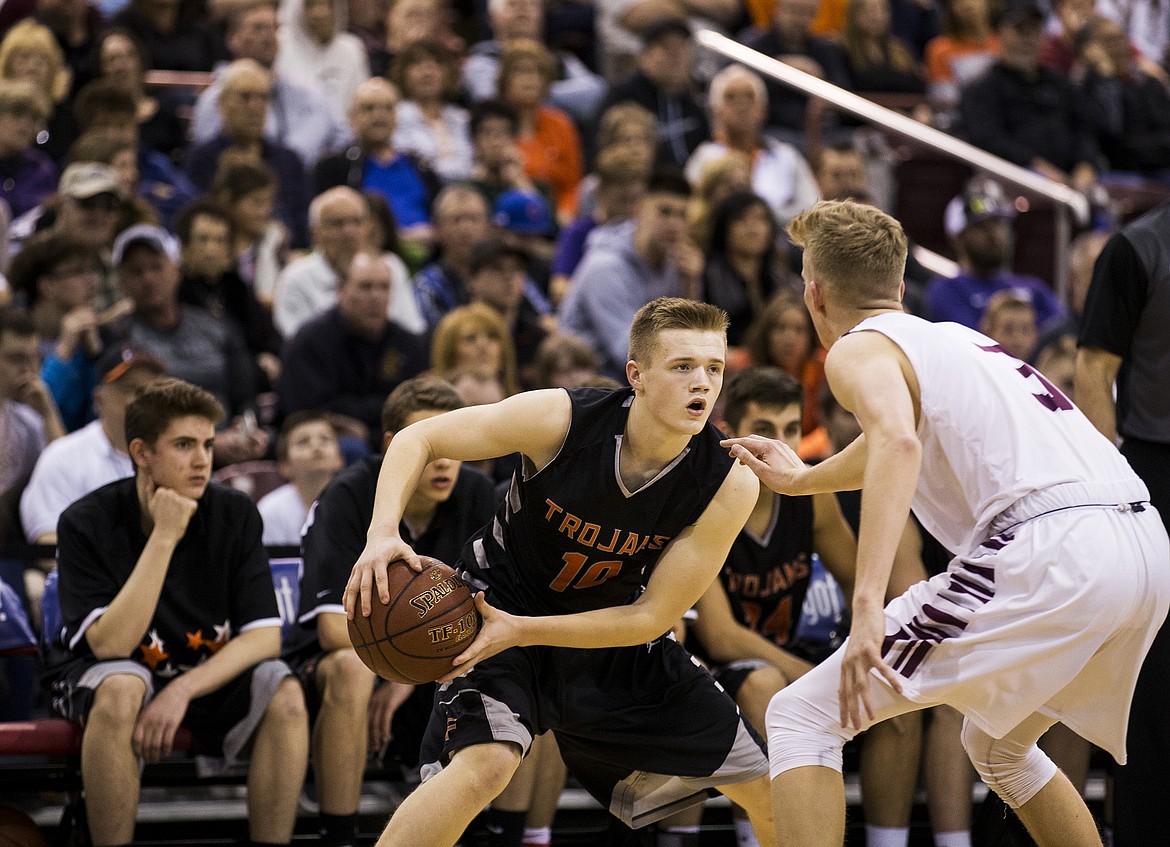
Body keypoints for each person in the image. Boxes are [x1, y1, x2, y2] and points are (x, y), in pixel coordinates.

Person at [723, 199, 1169, 847]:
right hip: (1141, 542)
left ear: (814, 294)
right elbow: (898, 434)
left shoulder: (856, 349)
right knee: (997, 746)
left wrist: (869, 604)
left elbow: (898, 445)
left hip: (1050, 547)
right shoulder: (956, 339)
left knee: (802, 716)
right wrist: (805, 477)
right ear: (900, 287)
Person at [343, 296, 776, 847]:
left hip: (606, 637)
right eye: (682, 366)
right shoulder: (563, 419)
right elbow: (418, 438)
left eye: (713, 368)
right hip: (494, 607)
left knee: (768, 788)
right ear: (636, 375)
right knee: (485, 768)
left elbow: (650, 616)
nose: (702, 383)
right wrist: (383, 532)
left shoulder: (728, 480)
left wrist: (525, 631)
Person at [43, 377, 309, 847]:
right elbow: (109, 645)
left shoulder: (236, 512)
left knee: (284, 692)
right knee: (125, 684)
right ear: (142, 452)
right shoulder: (86, 521)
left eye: (208, 444)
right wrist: (164, 535)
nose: (203, 459)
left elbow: (265, 637)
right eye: (184, 445)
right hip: (101, 675)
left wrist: (180, 691)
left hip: (195, 677)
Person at [693, 366, 923, 847]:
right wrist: (815, 676)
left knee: (896, 699)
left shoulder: (811, 499)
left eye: (791, 429)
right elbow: (720, 634)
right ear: (728, 432)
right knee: (765, 686)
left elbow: (863, 581)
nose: (780, 443)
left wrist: (875, 659)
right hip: (713, 668)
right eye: (764, 430)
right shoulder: (701, 501)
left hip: (788, 655)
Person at [285, 375, 497, 847]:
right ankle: (339, 834)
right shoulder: (347, 497)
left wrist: (416, 672)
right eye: (430, 443)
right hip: (340, 668)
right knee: (351, 670)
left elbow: (500, 610)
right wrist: (403, 667)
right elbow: (329, 629)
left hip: (437, 666)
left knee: (523, 658)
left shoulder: (482, 496)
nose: (444, 460)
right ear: (393, 445)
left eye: (453, 442)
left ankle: (508, 830)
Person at [1075, 201, 1170, 847]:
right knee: (1154, 673)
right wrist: (1115, 492)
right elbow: (1093, 370)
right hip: (1153, 470)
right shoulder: (1137, 246)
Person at [18, 344, 165, 628]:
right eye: (131, 390)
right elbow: (49, 547)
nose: (144, 401)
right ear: (99, 399)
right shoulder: (64, 457)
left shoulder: (176, 458)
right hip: (89, 596)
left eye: (153, 391)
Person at [277, 250, 428, 450]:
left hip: (390, 438)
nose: (376, 297)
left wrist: (369, 431)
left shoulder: (407, 344)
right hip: (331, 445)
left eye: (384, 287)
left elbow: (417, 405)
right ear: (340, 290)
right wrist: (383, 409)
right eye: (365, 287)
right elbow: (309, 412)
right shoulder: (309, 343)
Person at [560, 168, 702, 378]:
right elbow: (629, 353)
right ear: (639, 211)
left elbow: (687, 335)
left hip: (639, 372)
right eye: (665, 212)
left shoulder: (677, 263)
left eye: (682, 215)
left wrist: (691, 284)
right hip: (587, 379)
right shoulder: (605, 267)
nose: (675, 224)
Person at [184, 58, 311, 250]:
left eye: (262, 97)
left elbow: (302, 225)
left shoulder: (289, 161)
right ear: (222, 104)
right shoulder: (202, 160)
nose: (255, 106)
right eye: (245, 96)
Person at [684, 64, 821, 229]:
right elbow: (693, 209)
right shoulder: (705, 157)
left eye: (750, 96)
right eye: (731, 97)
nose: (742, 106)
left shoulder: (786, 156)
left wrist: (764, 218)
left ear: (764, 110)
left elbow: (812, 208)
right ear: (716, 111)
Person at [925, 176, 1065, 330]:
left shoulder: (1034, 288)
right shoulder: (947, 291)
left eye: (998, 223)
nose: (994, 234)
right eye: (981, 227)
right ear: (957, 237)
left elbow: (1063, 335)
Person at [599, 19, 710, 169]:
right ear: (644, 56)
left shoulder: (696, 102)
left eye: (682, 46)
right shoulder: (623, 98)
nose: (675, 54)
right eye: (666, 47)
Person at [0, 307, 65, 503]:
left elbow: (66, 476)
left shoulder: (27, 420)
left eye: (34, 358)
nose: (29, 370)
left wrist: (48, 414)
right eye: (17, 359)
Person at [256, 409, 342, 546]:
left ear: (340, 459)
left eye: (325, 439)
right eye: (303, 442)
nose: (316, 446)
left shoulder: (354, 506)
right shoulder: (270, 511)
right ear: (285, 465)